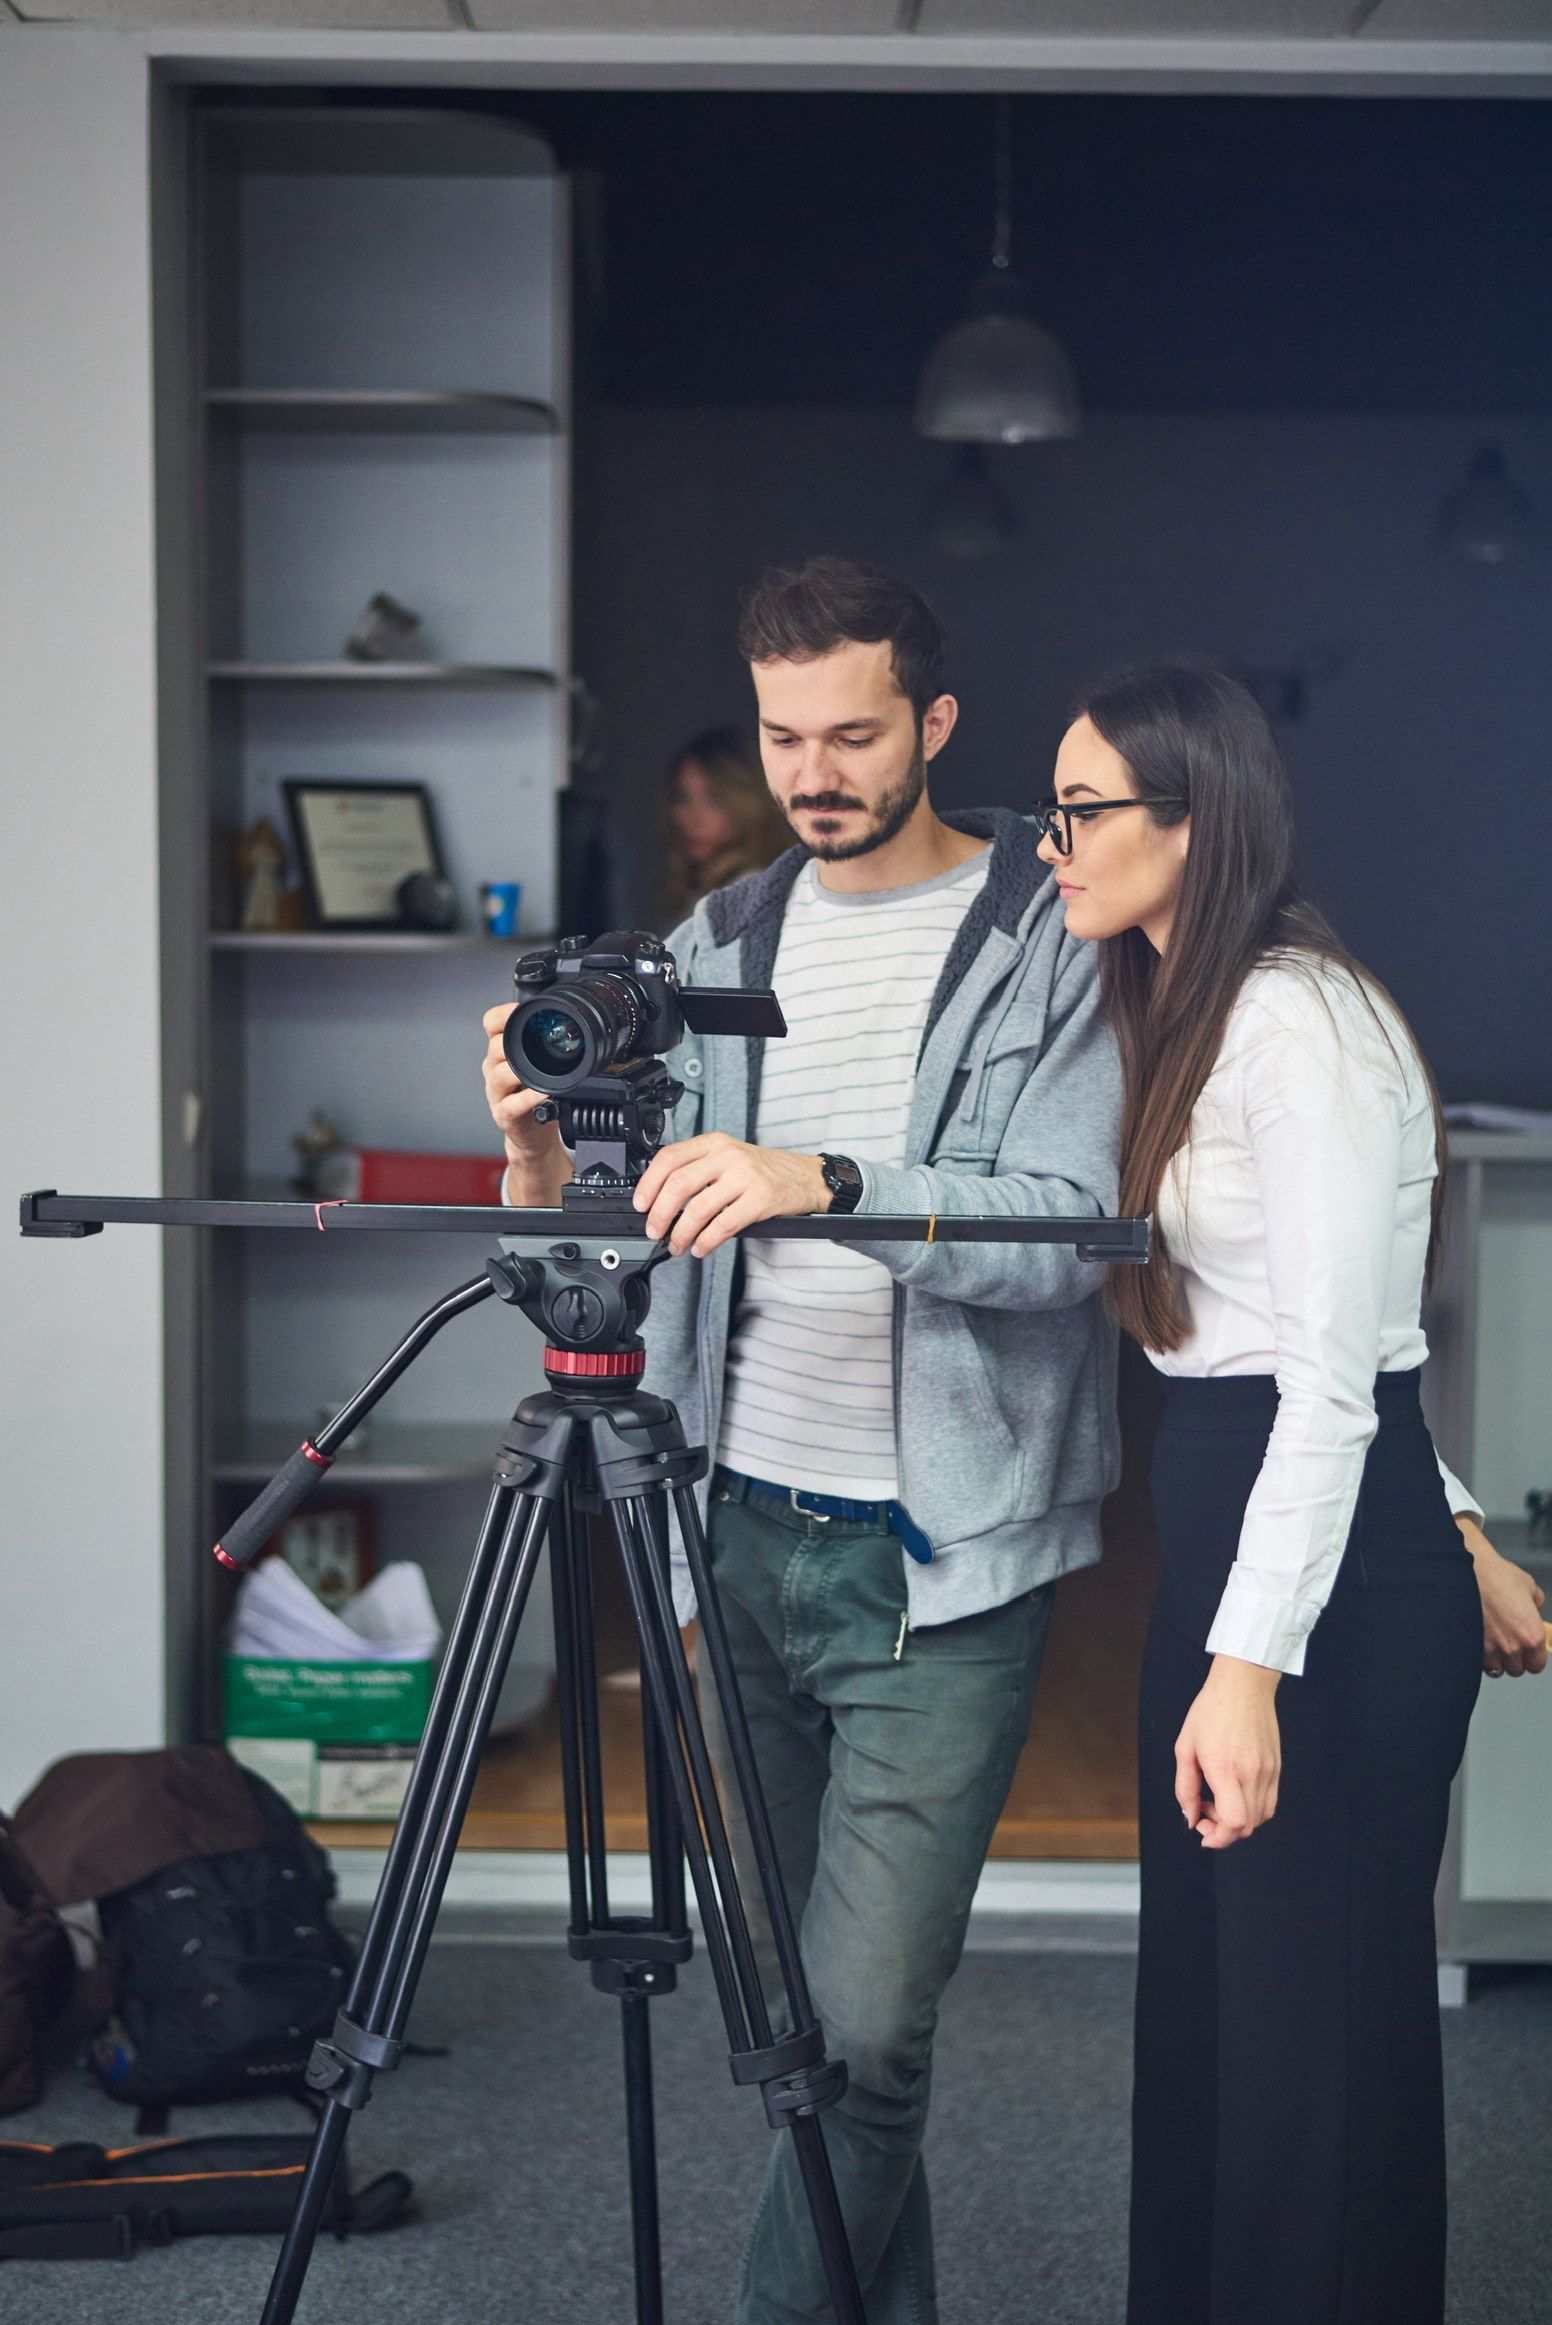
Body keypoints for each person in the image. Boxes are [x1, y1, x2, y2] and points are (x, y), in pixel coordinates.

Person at [484, 556, 1122, 2325]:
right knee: (787, 2038)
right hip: (727, 1541)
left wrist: (819, 1180)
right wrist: (541, 1164)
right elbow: (584, 1294)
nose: (814, 771)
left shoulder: (1045, 929)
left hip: (940, 1557)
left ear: (932, 723)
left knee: (857, 2033)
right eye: (783, 737)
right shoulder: (712, 948)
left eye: (852, 733)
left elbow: (1066, 1230)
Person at [1032, 664, 1549, 2325]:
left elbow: (1336, 1369)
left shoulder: (1297, 1022)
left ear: (1197, 823)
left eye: (1083, 808)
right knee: (1219, 2032)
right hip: (1262, 1536)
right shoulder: (1182, 1011)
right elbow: (1310, 1336)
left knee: (1309, 2059)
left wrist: (1250, 1666)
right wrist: (1456, 1521)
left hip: (1306, 1581)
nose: (1052, 843)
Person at [659, 722, 792, 926]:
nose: (694, 818)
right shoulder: (705, 887)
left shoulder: (749, 890)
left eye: (712, 800)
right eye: (683, 798)